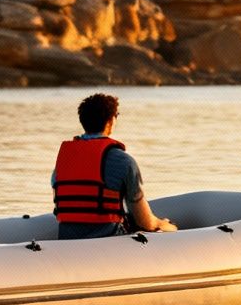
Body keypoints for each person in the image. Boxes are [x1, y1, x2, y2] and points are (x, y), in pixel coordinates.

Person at [52, 92, 178, 240]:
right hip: (109, 241)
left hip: (66, 240)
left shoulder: (64, 160)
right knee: (165, 227)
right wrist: (167, 226)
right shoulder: (124, 161)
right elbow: (144, 221)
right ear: (110, 122)